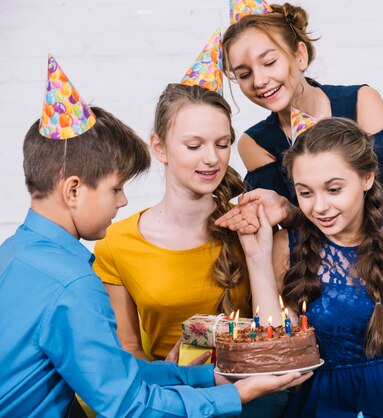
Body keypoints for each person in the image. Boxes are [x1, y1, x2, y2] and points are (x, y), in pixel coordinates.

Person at [0, 55, 309, 417]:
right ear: (73, 190)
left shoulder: (14, 252)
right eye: (116, 189)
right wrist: (235, 395)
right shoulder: (73, 284)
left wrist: (208, 378)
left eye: (222, 144)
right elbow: (126, 403)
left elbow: (117, 375)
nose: (124, 199)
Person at [237, 117, 383, 417]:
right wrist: (257, 259)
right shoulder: (286, 246)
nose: (318, 207)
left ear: (367, 177)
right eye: (305, 193)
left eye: (333, 189)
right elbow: (279, 359)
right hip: (328, 406)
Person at [220, 0, 383, 225]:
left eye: (269, 62)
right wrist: (286, 210)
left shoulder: (361, 102)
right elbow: (295, 224)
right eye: (244, 74)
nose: (259, 80)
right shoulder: (253, 144)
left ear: (300, 55)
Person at [93, 32, 254, 362]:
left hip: (253, 390)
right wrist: (170, 373)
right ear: (159, 147)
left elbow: (277, 328)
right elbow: (128, 352)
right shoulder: (116, 244)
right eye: (194, 146)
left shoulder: (246, 224)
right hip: (174, 398)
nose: (212, 158)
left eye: (222, 144)